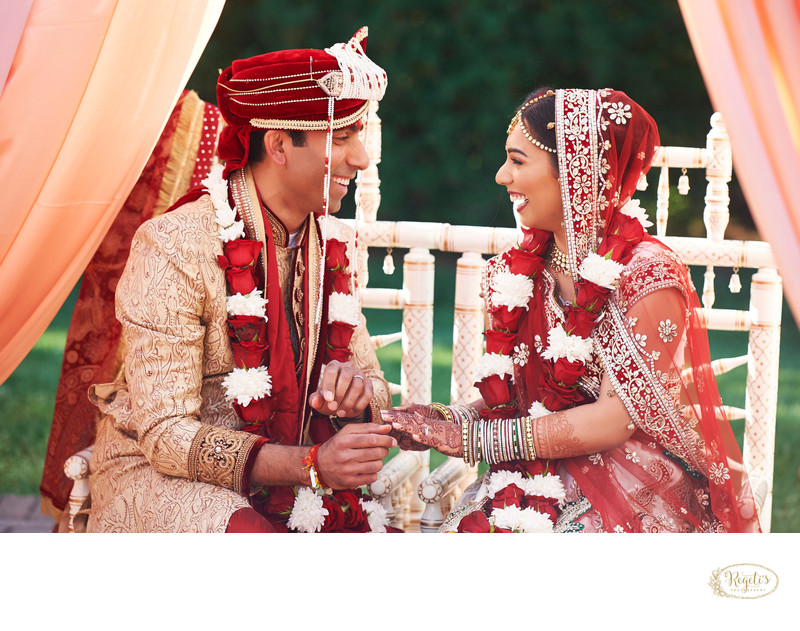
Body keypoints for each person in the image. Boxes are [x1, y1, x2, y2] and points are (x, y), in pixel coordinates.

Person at [382, 88, 761, 533]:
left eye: (518, 161)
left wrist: (473, 438)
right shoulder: (516, 272)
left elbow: (615, 419)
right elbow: (523, 396)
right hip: (529, 470)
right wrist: (448, 418)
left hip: (628, 486)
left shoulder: (646, 277)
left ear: (577, 174)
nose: (502, 176)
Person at [86, 27, 397, 533]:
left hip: (297, 479)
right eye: (342, 138)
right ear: (277, 144)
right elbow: (165, 436)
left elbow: (376, 386)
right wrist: (310, 464)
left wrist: (355, 392)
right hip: (163, 478)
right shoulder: (175, 246)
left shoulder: (331, 244)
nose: (361, 158)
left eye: (359, 137)